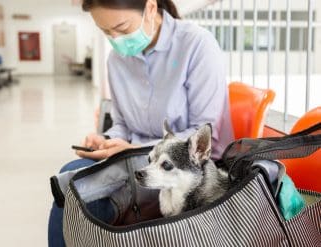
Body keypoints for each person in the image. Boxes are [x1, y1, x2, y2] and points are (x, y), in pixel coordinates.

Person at [48, 0, 234, 246]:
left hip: (182, 172)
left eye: (122, 28)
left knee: (74, 185)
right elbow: (122, 125)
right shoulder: (116, 60)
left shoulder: (196, 45)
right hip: (133, 160)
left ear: (151, 8)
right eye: (106, 32)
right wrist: (105, 139)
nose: (115, 39)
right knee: (73, 182)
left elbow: (206, 134)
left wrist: (134, 150)